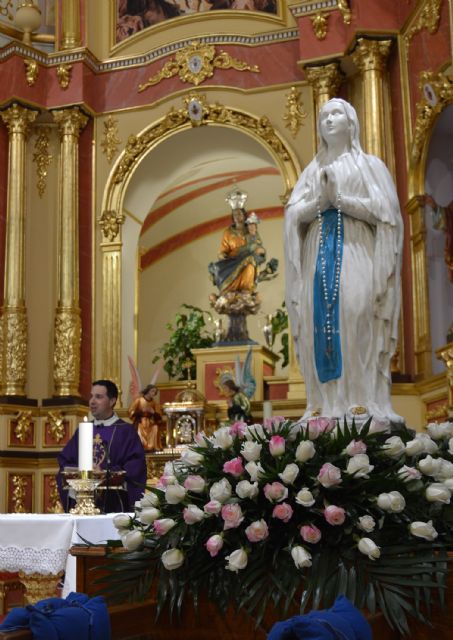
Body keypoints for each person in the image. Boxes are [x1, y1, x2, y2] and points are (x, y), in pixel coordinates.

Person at [285, 98, 403, 422]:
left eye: (337, 114)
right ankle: (326, 404)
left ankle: (361, 400)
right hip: (317, 258)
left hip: (356, 252)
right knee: (318, 324)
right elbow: (294, 214)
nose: (329, 120)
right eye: (324, 116)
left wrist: (340, 201)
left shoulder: (370, 167)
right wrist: (319, 204)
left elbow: (385, 213)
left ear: (352, 123)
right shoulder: (311, 172)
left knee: (356, 314)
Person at [56, 380, 147, 513]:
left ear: (112, 401)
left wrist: (104, 472)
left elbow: (135, 468)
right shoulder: (83, 431)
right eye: (91, 396)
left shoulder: (125, 431)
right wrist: (81, 471)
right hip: (81, 504)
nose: (92, 401)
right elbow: (65, 461)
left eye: (98, 397)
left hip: (114, 505)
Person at [128, 383, 163, 451]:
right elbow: (131, 411)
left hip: (150, 422)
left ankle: (153, 447)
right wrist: (141, 412)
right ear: (148, 391)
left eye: (155, 392)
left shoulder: (154, 403)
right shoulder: (139, 400)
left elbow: (159, 416)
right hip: (140, 422)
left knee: (155, 428)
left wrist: (153, 412)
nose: (154, 393)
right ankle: (141, 447)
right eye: (152, 391)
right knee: (139, 428)